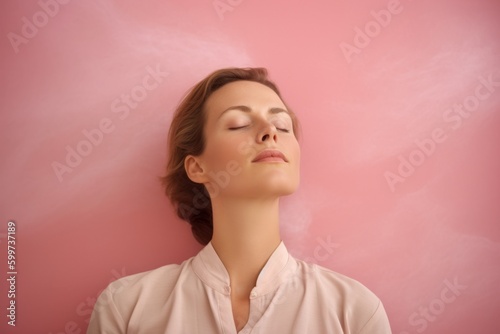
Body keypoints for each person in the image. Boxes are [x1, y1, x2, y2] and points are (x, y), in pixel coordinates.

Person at [87, 67, 392, 333]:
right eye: (238, 124)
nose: (270, 131)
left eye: (283, 125)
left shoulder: (354, 313)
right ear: (197, 167)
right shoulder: (127, 308)